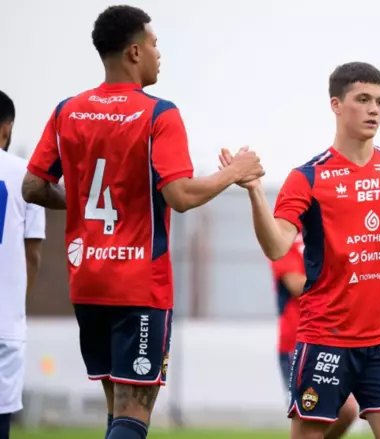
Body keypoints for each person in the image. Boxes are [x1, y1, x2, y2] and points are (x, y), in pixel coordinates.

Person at [21, 6, 264, 439]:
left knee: (117, 410)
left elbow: (33, 187)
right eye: (154, 44)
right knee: (134, 413)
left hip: (88, 280)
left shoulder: (67, 112)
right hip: (138, 284)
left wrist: (79, 202)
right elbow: (181, 196)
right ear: (135, 52)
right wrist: (234, 172)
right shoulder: (158, 114)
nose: (158, 54)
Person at [220, 61, 380, 439]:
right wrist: (255, 194)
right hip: (325, 336)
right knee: (311, 433)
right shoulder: (308, 177)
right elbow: (277, 245)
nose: (374, 109)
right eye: (363, 99)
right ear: (336, 104)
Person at [270, 233, 358, 438]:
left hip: (333, 339)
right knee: (310, 416)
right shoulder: (286, 237)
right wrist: (338, 288)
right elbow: (295, 284)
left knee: (346, 411)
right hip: (297, 342)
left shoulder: (331, 234)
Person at [0, 91, 45, 439]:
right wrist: (17, 305)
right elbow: (33, 255)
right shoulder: (27, 176)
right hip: (5, 324)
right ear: (7, 127)